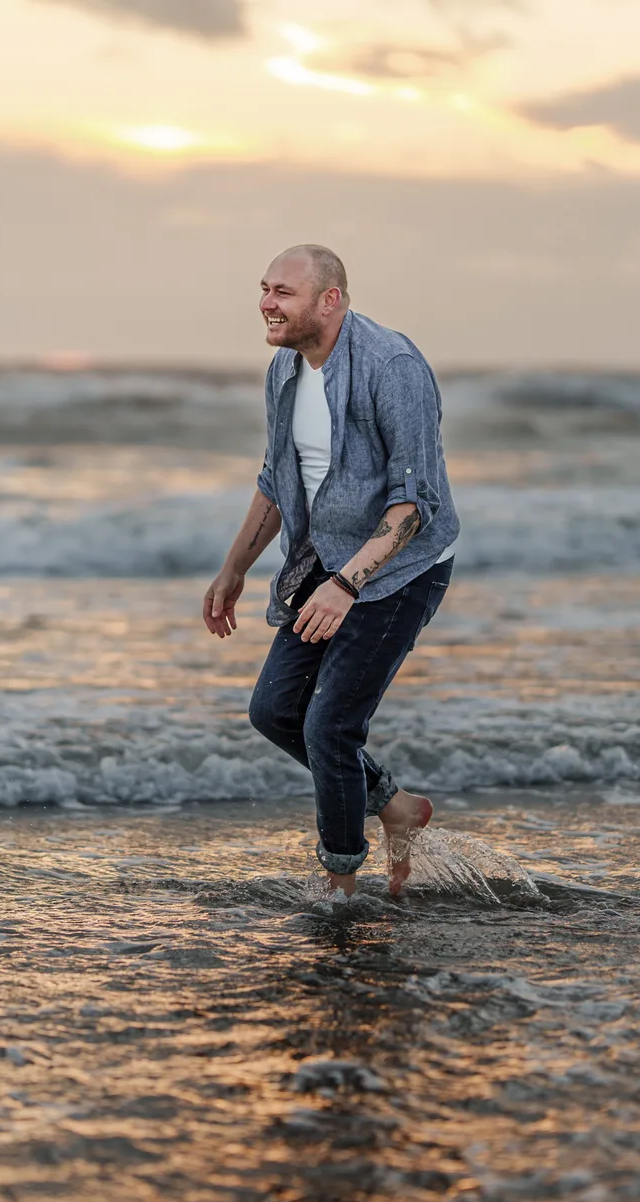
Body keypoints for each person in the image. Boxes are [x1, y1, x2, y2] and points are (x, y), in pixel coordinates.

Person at [204, 245, 458, 900]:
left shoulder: (391, 367)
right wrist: (234, 570)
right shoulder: (283, 369)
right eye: (264, 288)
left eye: (283, 292)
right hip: (323, 557)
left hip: (399, 566)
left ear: (330, 299)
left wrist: (349, 585)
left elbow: (417, 504)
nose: (266, 302)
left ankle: (340, 884)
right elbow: (275, 476)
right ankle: (396, 807)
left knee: (330, 726)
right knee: (274, 710)